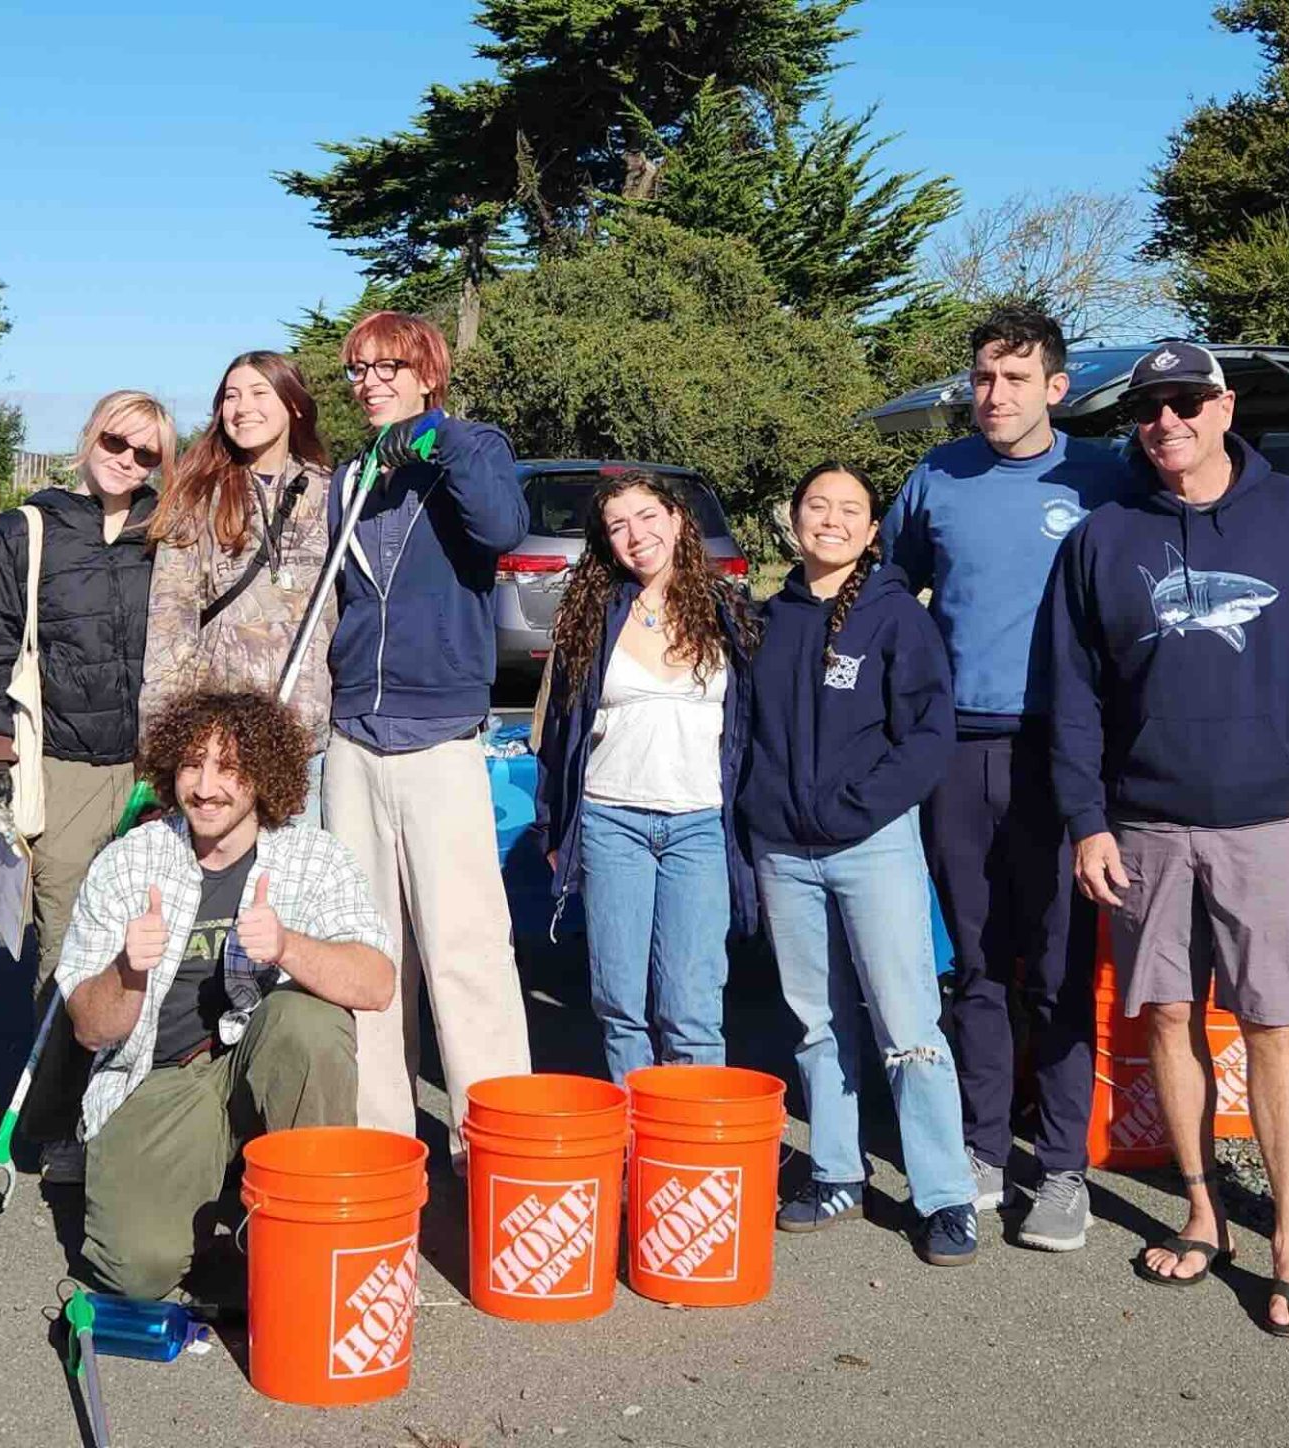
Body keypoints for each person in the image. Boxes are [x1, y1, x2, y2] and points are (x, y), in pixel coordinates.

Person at [1048, 342, 1289, 1335]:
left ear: (1224, 407)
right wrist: (1087, 820)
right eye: (1150, 408)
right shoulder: (1100, 536)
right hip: (1142, 823)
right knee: (1168, 1017)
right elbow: (1070, 695)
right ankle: (1199, 1206)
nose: (1167, 420)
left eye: (1186, 400)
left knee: (1274, 1023)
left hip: (1265, 818)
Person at [881, 303, 1129, 1250]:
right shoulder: (937, 475)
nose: (996, 395)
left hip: (1065, 753)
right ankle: (982, 1148)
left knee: (1062, 967)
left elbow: (1203, 507)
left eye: (1017, 379)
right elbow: (889, 588)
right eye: (985, 377)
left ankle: (1062, 1168)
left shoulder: (1104, 475)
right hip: (959, 748)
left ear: (1056, 389)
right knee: (978, 964)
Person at [58, 689, 393, 1300]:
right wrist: (129, 972)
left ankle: (311, 1224)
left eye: (228, 766)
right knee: (136, 1273)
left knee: (307, 1021)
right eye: (192, 763)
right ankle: (222, 1203)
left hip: (260, 1063)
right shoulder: (128, 864)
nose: (206, 786)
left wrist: (289, 946)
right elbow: (88, 1027)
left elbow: (376, 984)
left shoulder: (312, 856)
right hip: (159, 1077)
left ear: (263, 776)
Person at [745, 464, 972, 1265]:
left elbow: (928, 738)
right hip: (783, 852)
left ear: (873, 532)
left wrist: (852, 808)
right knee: (816, 1021)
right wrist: (764, 812)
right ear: (793, 517)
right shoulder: (766, 620)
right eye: (817, 505)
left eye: (850, 511)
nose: (831, 521)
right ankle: (837, 1171)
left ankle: (944, 1193)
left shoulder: (896, 622)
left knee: (907, 1024)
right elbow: (747, 735)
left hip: (870, 846)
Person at [318, 310, 533, 1145]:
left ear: (426, 375)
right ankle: (382, 1139)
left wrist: (434, 441)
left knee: (465, 949)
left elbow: (503, 530)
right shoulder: (349, 475)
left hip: (438, 732)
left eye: (387, 367)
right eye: (358, 370)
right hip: (353, 736)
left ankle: (496, 1144)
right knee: (370, 955)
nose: (370, 383)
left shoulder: (472, 448)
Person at [0, 390, 175, 1185]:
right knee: (70, 946)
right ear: (90, 435)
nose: (128, 459)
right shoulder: (28, 529)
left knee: (155, 941)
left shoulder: (172, 532)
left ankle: (139, 1119)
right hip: (67, 765)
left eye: (148, 452)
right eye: (118, 440)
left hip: (159, 769)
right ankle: (57, 1121)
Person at [534, 470, 757, 1081]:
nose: (636, 535)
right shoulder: (589, 621)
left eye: (647, 516)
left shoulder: (727, 613)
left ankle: (692, 1149)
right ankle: (637, 1144)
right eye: (617, 526)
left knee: (694, 1009)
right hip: (612, 823)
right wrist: (553, 828)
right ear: (605, 543)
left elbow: (749, 731)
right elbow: (558, 737)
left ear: (677, 520)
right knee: (620, 1003)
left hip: (700, 826)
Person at [143, 352, 338, 820]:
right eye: (231, 396)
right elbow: (169, 625)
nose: (241, 407)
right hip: (218, 747)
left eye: (258, 392)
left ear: (293, 404)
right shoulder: (198, 495)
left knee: (293, 889)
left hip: (308, 744)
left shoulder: (334, 494)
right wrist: (157, 755)